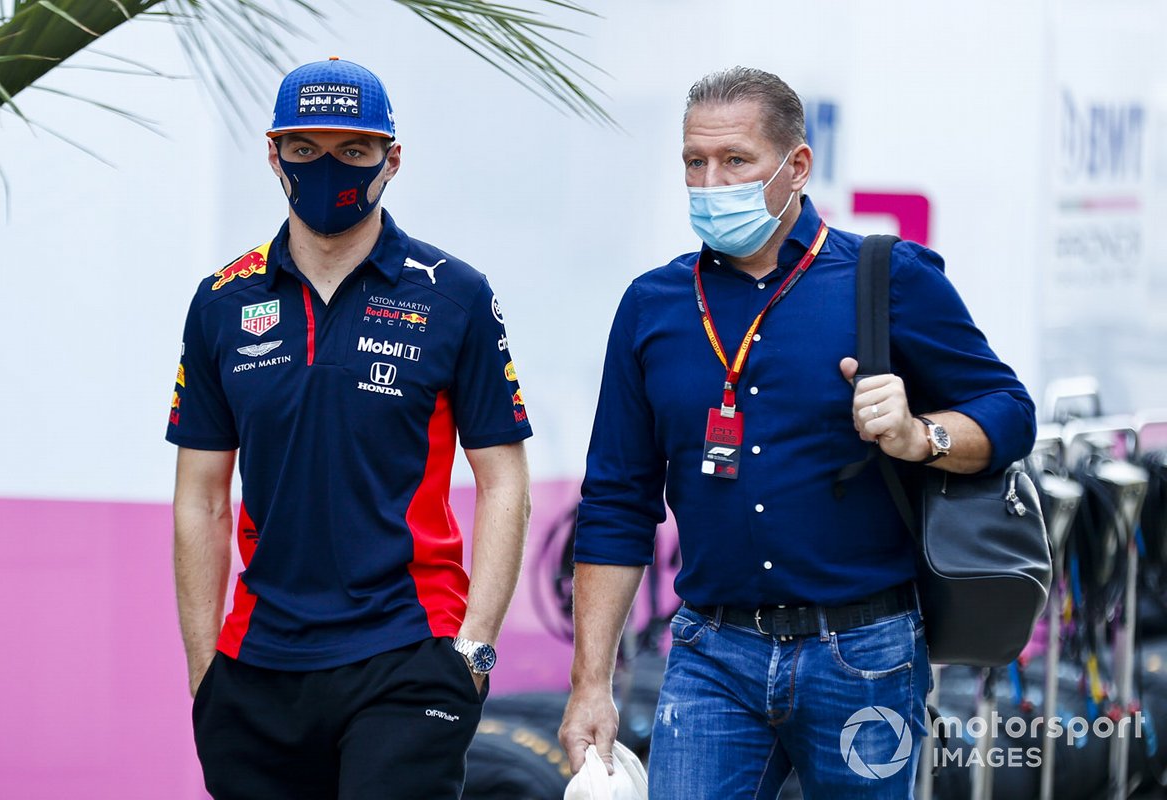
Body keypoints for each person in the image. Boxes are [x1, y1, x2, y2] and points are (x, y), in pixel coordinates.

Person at [558, 66, 1035, 799]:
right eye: (695, 162)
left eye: (736, 161)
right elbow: (618, 503)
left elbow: (1008, 410)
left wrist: (921, 435)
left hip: (866, 651)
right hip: (710, 655)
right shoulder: (653, 305)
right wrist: (591, 683)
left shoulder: (886, 276)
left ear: (797, 166)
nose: (711, 182)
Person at [167, 56, 532, 799]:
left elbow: (505, 484)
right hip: (256, 666)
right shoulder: (222, 302)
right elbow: (201, 500)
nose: (326, 166)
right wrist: (206, 675)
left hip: (408, 652)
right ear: (273, 153)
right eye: (304, 149)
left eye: (353, 150)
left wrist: (476, 654)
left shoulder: (453, 295)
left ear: (391, 160)